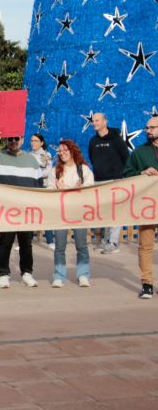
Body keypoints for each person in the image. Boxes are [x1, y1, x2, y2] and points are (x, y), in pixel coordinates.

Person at [0, 129, 43, 289]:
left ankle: (27, 273)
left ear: (22, 140)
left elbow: (39, 186)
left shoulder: (32, 160)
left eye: (16, 138)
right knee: (5, 242)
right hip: (6, 209)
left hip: (25, 210)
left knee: (26, 243)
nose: (13, 141)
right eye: (10, 139)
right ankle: (3, 274)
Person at [48, 140, 94, 288]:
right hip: (61, 213)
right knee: (60, 246)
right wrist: (59, 189)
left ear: (73, 150)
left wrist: (70, 189)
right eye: (60, 151)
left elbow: (90, 189)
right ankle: (59, 275)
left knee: (81, 245)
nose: (62, 154)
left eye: (65, 150)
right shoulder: (55, 171)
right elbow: (49, 190)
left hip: (79, 212)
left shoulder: (84, 170)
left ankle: (83, 274)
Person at [124, 115, 158, 299]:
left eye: (152, 127)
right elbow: (127, 174)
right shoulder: (139, 152)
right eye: (146, 128)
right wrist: (142, 173)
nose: (148, 130)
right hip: (147, 207)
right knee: (145, 246)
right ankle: (147, 284)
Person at [87, 113, 130, 255]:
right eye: (93, 121)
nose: (94, 123)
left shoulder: (116, 139)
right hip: (99, 181)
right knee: (105, 212)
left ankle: (114, 242)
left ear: (105, 121)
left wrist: (117, 174)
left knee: (115, 212)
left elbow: (125, 157)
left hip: (114, 180)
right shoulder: (93, 141)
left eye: (97, 120)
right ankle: (105, 241)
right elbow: (93, 158)